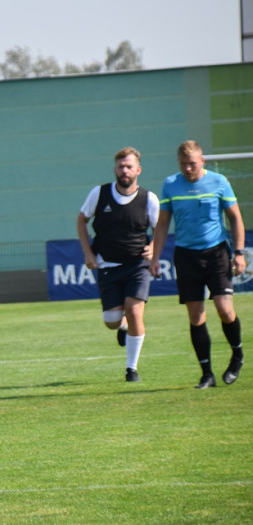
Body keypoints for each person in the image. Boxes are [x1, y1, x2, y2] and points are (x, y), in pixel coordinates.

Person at [151, 140, 247, 389]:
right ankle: (207, 374)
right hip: (186, 255)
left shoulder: (218, 182)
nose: (188, 169)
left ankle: (237, 355)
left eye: (192, 164)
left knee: (224, 309)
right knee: (196, 316)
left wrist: (238, 252)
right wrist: (154, 257)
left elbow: (235, 218)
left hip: (216, 252)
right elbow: (162, 224)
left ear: (202, 161)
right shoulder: (171, 184)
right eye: (183, 164)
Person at [76, 147, 159, 382]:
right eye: (121, 166)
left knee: (134, 311)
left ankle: (131, 369)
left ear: (138, 170)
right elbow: (82, 220)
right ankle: (121, 325)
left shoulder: (148, 198)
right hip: (107, 266)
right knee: (111, 322)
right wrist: (87, 253)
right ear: (115, 169)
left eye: (129, 166)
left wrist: (153, 249)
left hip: (137, 266)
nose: (125, 170)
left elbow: (159, 228)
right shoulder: (99, 194)